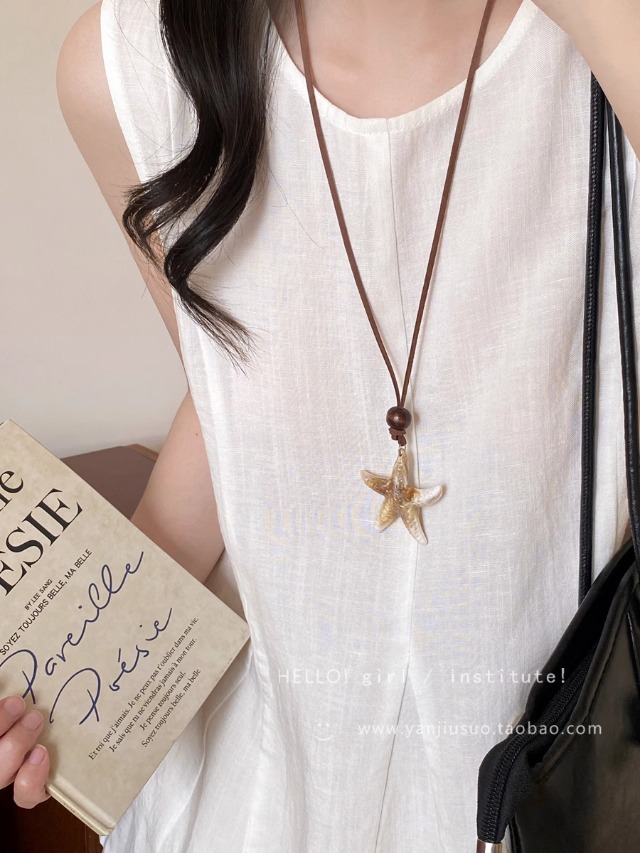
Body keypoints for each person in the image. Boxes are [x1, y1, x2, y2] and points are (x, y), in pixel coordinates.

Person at [2, 0, 640, 850]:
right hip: (265, 789)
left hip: (566, 781)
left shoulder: (611, 56)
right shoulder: (131, 71)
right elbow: (233, 413)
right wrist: (63, 673)